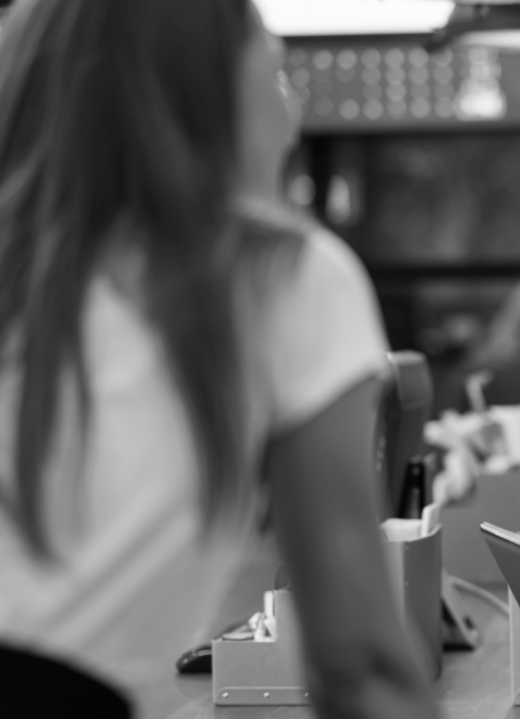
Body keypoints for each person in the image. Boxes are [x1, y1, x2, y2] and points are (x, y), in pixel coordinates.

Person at [0, 1, 436, 718]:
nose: (292, 122)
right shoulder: (278, 276)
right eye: (274, 74)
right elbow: (359, 666)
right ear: (200, 95)